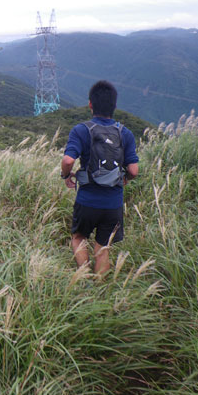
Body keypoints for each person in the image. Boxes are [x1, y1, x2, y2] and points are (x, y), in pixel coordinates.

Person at [60, 80, 139, 275]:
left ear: (90, 104)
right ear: (114, 105)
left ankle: (84, 278)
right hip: (113, 203)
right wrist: (126, 179)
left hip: (87, 200)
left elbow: (68, 160)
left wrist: (66, 175)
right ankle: (100, 286)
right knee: (103, 247)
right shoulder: (125, 133)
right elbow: (134, 170)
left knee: (79, 237)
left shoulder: (81, 130)